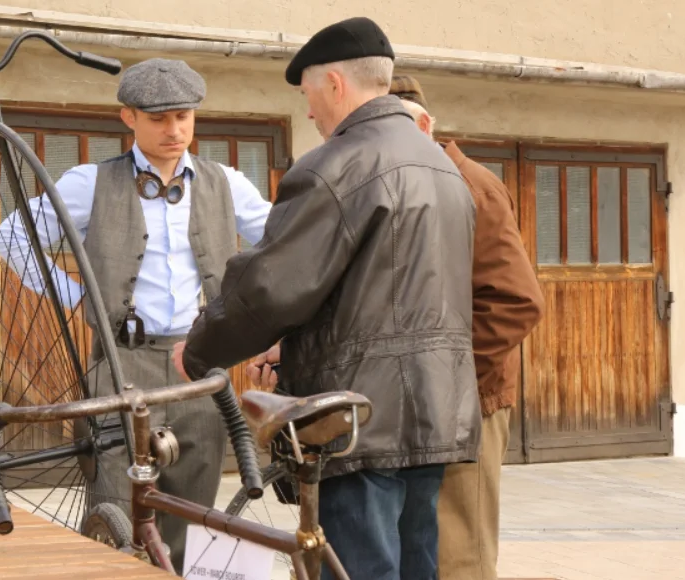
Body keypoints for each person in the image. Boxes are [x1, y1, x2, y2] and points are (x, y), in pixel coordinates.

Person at [171, 17, 482, 580]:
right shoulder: (443, 168)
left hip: (359, 419)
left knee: (357, 570)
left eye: (309, 93)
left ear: (335, 84)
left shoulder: (337, 165)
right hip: (437, 410)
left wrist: (198, 350)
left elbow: (271, 286)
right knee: (418, 566)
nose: (310, 111)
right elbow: (382, 293)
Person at [0, 57, 272, 571]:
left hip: (198, 362)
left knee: (192, 511)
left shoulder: (225, 183)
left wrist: (250, 317)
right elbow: (9, 238)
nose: (174, 130)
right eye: (160, 118)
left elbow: (281, 247)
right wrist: (81, 299)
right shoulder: (89, 183)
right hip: (121, 363)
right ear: (129, 119)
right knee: (117, 512)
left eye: (183, 117)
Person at [390, 75, 544, 580]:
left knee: (462, 555)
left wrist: (443, 373)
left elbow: (516, 302)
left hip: (469, 399)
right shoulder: (408, 181)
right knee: (423, 549)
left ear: (427, 125)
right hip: (418, 399)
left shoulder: (474, 185)